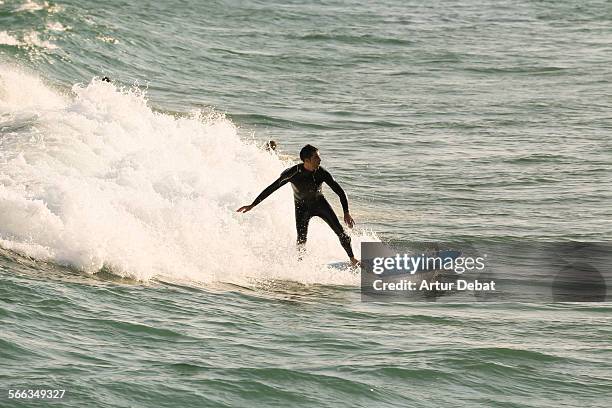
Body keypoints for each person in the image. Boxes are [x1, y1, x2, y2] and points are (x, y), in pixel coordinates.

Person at [237, 144, 359, 266]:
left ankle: (353, 260)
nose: (320, 160)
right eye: (316, 158)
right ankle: (300, 264)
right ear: (307, 160)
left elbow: (340, 192)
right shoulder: (293, 173)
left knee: (342, 233)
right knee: (301, 240)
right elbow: (272, 188)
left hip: (320, 204)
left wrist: (346, 212)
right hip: (302, 207)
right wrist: (253, 205)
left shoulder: (322, 173)